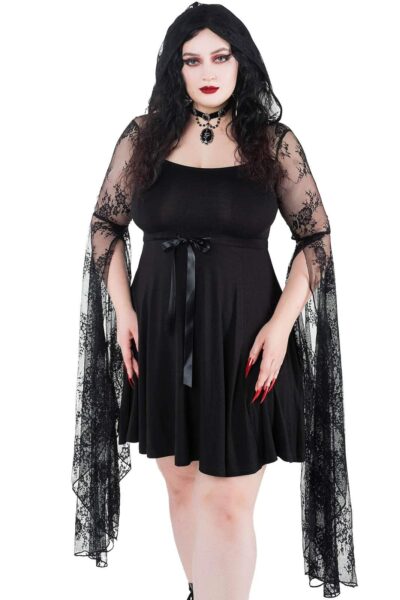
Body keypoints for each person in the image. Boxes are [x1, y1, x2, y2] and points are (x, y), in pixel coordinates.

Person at [71, 3, 358, 599]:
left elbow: (316, 240)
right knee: (181, 488)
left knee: (226, 502)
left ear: (241, 62)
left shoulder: (273, 142)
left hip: (244, 334)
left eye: (220, 57)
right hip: (159, 332)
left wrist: (281, 327)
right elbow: (105, 226)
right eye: (192, 59)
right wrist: (123, 311)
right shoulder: (143, 136)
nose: (207, 71)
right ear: (174, 68)